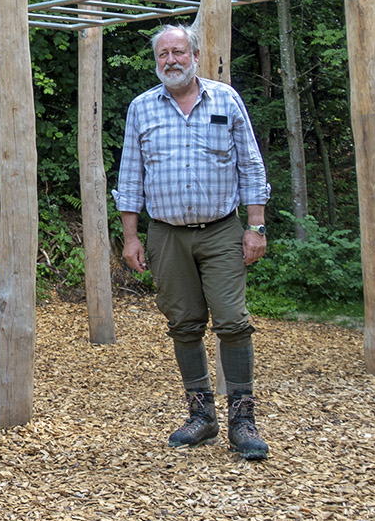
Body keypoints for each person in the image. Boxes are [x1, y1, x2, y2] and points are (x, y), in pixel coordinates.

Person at [114, 23, 272, 461]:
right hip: (165, 233)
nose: (171, 61)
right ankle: (201, 416)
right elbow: (130, 176)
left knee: (232, 321)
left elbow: (251, 164)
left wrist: (255, 226)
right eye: (163, 54)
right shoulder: (142, 108)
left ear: (195, 55)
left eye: (179, 52)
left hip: (221, 229)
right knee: (183, 323)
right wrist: (131, 237)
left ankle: (243, 421)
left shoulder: (225, 99)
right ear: (156, 61)